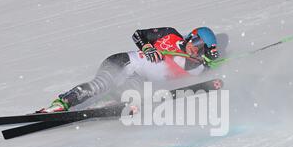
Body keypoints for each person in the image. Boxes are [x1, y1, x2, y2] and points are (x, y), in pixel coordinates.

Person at [37, 27, 220, 113]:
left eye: (202, 48)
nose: (196, 49)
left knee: (131, 91)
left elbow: (214, 71)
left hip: (138, 77)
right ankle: (61, 104)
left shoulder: (196, 68)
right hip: (123, 62)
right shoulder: (170, 35)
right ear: (191, 37)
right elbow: (138, 34)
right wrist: (148, 47)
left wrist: (212, 59)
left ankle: (102, 106)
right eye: (196, 43)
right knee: (100, 85)